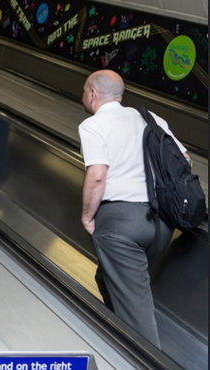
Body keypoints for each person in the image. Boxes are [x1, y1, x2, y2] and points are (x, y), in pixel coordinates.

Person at [78, 69, 190, 349]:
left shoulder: (92, 125)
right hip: (161, 225)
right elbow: (184, 159)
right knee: (106, 278)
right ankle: (119, 345)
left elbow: (98, 174)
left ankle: (142, 357)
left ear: (92, 94)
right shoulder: (151, 119)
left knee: (138, 319)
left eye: (84, 91)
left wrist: (87, 216)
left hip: (121, 227)